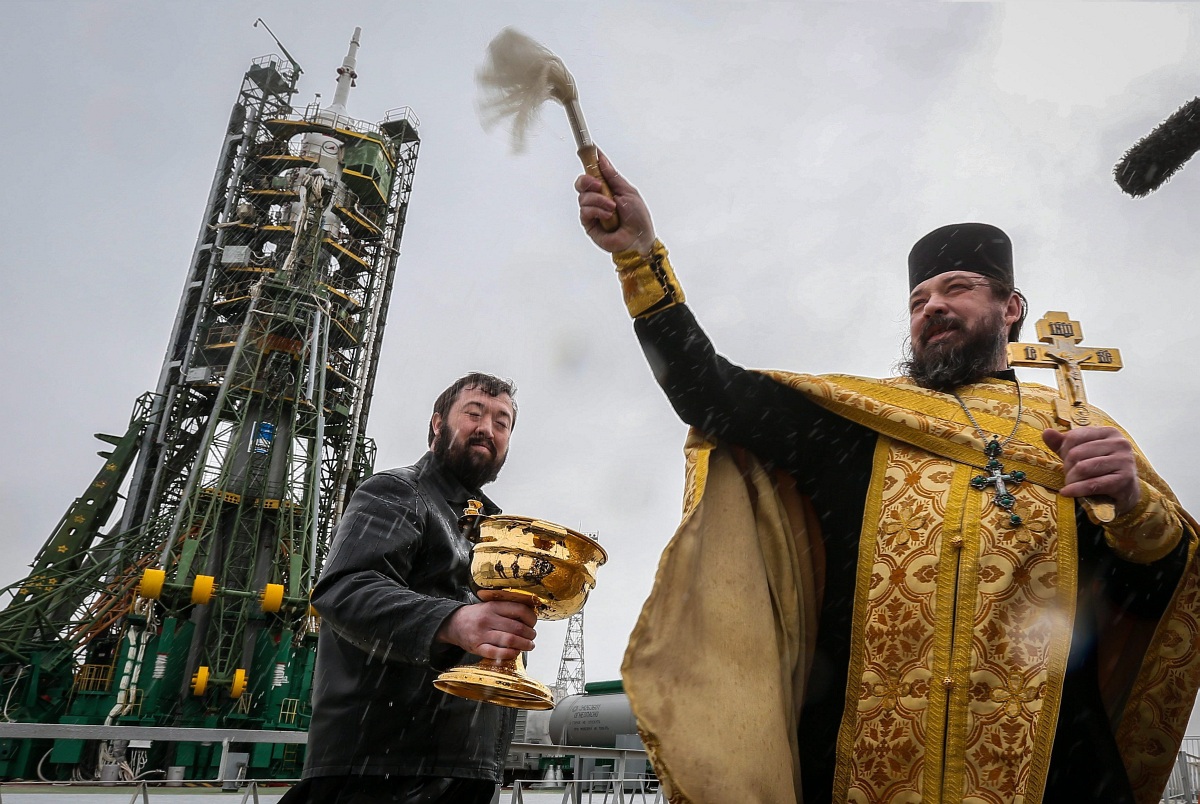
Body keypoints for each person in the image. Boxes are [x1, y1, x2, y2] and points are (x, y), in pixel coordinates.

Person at [575, 155, 1199, 804]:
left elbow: (1151, 598)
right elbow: (712, 394)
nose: (932, 307)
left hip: (1051, 774)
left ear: (1010, 307)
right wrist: (640, 257)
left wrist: (1131, 505)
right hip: (859, 773)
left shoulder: (1077, 431)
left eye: (956, 288)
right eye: (917, 300)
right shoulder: (862, 425)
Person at [281, 373, 535, 804]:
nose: (486, 428)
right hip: (383, 773)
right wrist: (453, 621)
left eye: (501, 422)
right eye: (473, 413)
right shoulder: (397, 492)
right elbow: (344, 588)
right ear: (437, 424)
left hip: (456, 772)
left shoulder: (490, 532)